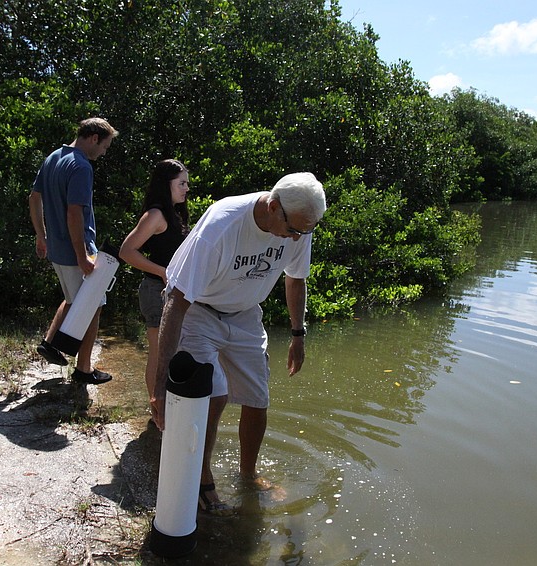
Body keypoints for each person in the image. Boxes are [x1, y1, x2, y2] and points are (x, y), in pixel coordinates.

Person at [151, 172, 327, 514]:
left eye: (306, 230)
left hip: (245, 312)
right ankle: (202, 482)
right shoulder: (222, 225)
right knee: (213, 395)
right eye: (294, 229)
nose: (298, 238)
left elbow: (296, 279)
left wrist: (297, 334)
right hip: (198, 309)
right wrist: (160, 384)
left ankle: (249, 475)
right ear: (274, 207)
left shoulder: (299, 224)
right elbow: (177, 301)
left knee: (258, 397)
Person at [29, 117, 119, 385]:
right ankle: (83, 369)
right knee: (92, 305)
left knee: (73, 299)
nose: (103, 153)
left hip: (57, 248)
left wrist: (41, 235)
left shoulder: (54, 157)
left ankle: (50, 342)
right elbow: (74, 214)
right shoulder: (81, 166)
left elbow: (34, 197)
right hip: (75, 251)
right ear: (93, 138)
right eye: (104, 146)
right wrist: (82, 256)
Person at [119, 159, 190, 407]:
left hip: (172, 293)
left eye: (187, 183)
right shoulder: (156, 214)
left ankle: (170, 410)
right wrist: (162, 272)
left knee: (172, 353)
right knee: (160, 355)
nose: (186, 188)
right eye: (181, 183)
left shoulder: (174, 213)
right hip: (156, 292)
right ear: (165, 184)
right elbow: (127, 251)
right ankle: (157, 412)